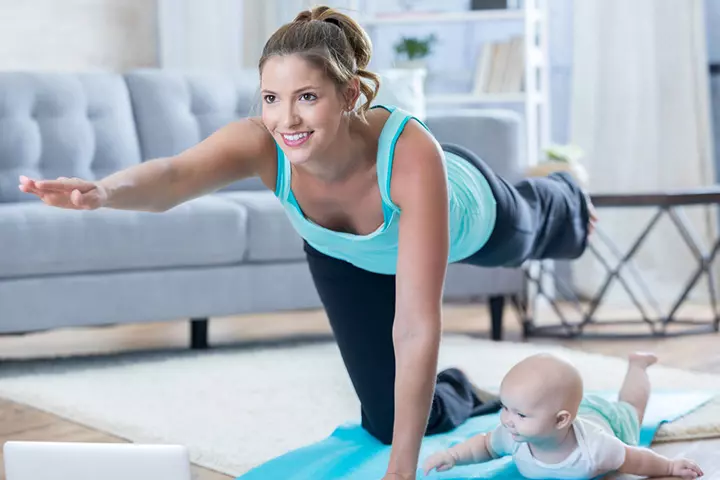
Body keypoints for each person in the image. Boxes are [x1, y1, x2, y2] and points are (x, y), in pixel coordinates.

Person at [18, 6, 597, 479]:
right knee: (385, 418)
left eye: (307, 97)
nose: (285, 118)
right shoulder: (260, 142)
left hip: (473, 213)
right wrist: (101, 190)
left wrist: (402, 472)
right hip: (345, 255)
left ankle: (568, 194)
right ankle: (459, 392)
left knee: (533, 228)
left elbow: (416, 323)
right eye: (271, 97)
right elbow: (172, 177)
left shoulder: (408, 150)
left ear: (348, 96)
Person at [423, 353, 704, 479]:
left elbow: (636, 458)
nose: (507, 420)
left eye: (519, 414)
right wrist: (454, 456)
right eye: (504, 407)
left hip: (604, 419)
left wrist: (669, 467)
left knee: (632, 408)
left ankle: (638, 366)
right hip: (569, 410)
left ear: (560, 421)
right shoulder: (514, 436)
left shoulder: (596, 448)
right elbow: (484, 445)